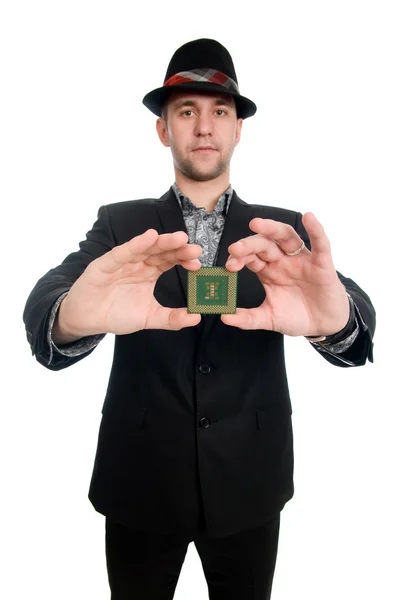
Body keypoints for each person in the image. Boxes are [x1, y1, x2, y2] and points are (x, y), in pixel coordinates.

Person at [23, 38, 375, 600]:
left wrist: (334, 323)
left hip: (249, 484)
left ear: (238, 130)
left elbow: (346, 310)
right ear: (164, 129)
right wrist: (70, 319)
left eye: (220, 112)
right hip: (140, 481)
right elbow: (52, 298)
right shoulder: (122, 224)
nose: (204, 126)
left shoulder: (279, 230)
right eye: (186, 111)